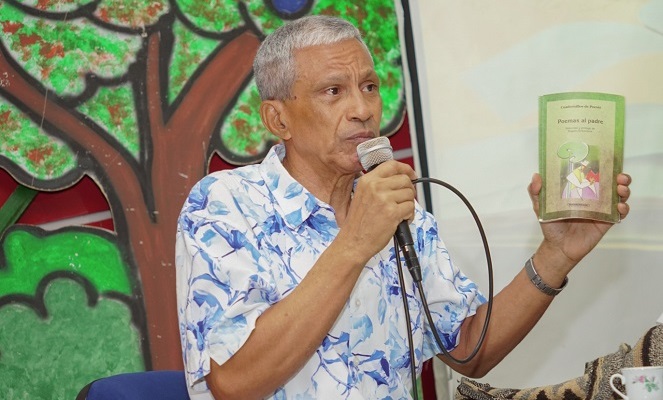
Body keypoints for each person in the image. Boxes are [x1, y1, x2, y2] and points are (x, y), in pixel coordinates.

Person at [175, 15, 632, 400]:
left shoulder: (400, 213)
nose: (362, 109)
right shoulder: (224, 206)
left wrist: (557, 256)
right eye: (333, 91)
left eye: (369, 86)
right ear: (278, 119)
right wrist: (354, 243)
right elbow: (232, 383)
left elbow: (469, 349)